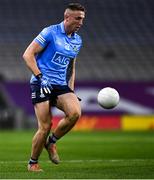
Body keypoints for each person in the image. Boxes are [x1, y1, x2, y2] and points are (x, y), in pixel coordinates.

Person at [23, 3, 85, 172]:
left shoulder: (77, 40)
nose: (81, 22)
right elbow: (28, 54)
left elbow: (71, 67)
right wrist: (40, 77)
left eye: (83, 19)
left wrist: (70, 89)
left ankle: (51, 143)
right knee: (45, 126)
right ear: (67, 18)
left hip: (60, 84)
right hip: (41, 82)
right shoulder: (50, 32)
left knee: (75, 113)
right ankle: (32, 163)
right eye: (78, 18)